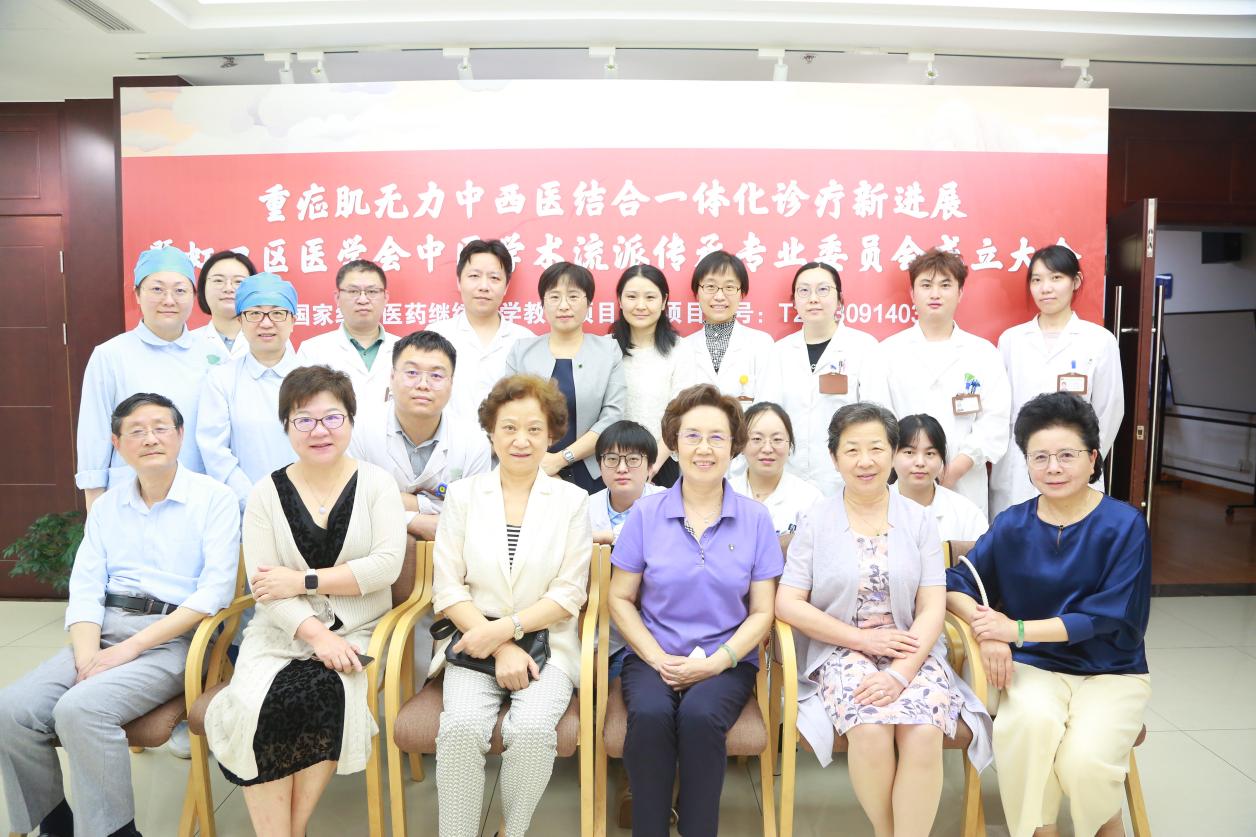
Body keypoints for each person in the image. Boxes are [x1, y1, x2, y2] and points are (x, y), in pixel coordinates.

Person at [0, 393, 240, 837]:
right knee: (11, 709)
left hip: (176, 638)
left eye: (160, 428)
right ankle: (56, 823)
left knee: (80, 709)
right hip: (106, 629)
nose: (150, 439)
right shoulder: (108, 506)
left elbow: (214, 592)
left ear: (180, 435)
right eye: (136, 431)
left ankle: (115, 832)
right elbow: (86, 586)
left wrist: (128, 651)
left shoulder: (215, 499)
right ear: (117, 443)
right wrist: (87, 655)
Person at [203, 365, 406, 836]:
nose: (320, 431)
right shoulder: (264, 494)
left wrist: (303, 581)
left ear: (351, 421)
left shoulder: (377, 484)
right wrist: (315, 634)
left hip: (357, 629)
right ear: (287, 426)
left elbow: (385, 567)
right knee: (254, 706)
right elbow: (266, 588)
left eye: (333, 417)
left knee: (324, 693)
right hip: (281, 631)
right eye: (304, 420)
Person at [775, 402, 990, 837]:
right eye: (852, 450)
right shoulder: (814, 521)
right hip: (840, 648)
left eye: (876, 448)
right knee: (870, 727)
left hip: (913, 648)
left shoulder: (919, 520)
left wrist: (900, 673)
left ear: (892, 453)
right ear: (834, 457)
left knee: (923, 731)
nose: (865, 461)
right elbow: (788, 603)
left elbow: (932, 605)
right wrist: (862, 640)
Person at [946, 392, 1151, 837]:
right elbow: (956, 582)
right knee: (1027, 729)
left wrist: (1014, 629)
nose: (1053, 467)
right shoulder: (1012, 524)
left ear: (1092, 458)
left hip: (1111, 669)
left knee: (1084, 763)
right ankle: (1041, 831)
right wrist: (988, 631)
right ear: (1026, 463)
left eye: (1066, 455)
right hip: (1034, 666)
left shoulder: (1125, 524)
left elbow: (1106, 616)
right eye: (1040, 457)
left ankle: (1107, 821)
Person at [608, 384, 782, 837]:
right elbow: (619, 598)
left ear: (734, 447)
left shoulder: (756, 519)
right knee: (650, 716)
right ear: (674, 443)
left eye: (717, 437)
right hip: (653, 655)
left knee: (701, 716)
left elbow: (762, 612)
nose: (704, 449)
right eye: (692, 436)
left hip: (727, 659)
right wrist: (657, 658)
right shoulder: (645, 514)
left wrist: (719, 662)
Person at [430, 374, 592, 837]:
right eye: (509, 428)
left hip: (548, 645)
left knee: (534, 731)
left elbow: (569, 594)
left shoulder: (572, 500)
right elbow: (448, 588)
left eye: (534, 429)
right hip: (474, 640)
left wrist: (507, 631)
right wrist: (499, 645)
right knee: (460, 729)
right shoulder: (463, 496)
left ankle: (512, 830)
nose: (522, 440)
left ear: (551, 435)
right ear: (491, 433)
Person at [864, 248, 1011, 517]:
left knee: (961, 541)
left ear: (960, 292)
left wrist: (957, 467)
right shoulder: (886, 353)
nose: (935, 294)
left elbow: (995, 422)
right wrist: (910, 464)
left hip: (965, 483)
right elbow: (878, 418)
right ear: (912, 293)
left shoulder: (983, 354)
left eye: (945, 285)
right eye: (926, 285)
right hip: (902, 481)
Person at [77, 247, 215, 510]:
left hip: (199, 494)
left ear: (194, 296)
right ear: (137, 294)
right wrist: (95, 506)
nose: (169, 300)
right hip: (129, 496)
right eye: (157, 289)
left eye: (180, 290)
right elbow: (93, 433)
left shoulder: (213, 356)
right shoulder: (110, 355)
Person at [990, 244, 1123, 517]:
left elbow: (1109, 411)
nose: (1045, 288)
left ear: (1076, 281)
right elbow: (999, 409)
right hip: (1018, 468)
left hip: (1076, 467)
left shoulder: (1100, 341)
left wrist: (1083, 460)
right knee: (1017, 534)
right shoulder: (1011, 341)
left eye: (1056, 278)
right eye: (1037, 280)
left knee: (1073, 536)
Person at [348, 329, 491, 542]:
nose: (423, 385)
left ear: (451, 383)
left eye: (436, 376)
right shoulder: (359, 431)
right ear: (392, 377)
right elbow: (351, 504)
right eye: (412, 373)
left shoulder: (473, 441)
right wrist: (415, 518)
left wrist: (397, 502)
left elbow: (473, 514)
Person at [505, 261, 627, 494]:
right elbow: (507, 413)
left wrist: (560, 459)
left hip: (594, 471)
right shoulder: (521, 351)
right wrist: (540, 461)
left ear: (589, 304)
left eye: (573, 296)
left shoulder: (608, 351)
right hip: (533, 469)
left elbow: (613, 416)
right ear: (542, 304)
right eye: (554, 297)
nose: (563, 305)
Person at [765, 262, 879, 495]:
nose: (813, 299)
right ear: (794, 301)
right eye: (804, 291)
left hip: (844, 476)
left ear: (840, 300)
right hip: (788, 476)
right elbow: (767, 416)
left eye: (823, 289)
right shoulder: (779, 352)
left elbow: (876, 417)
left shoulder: (863, 347)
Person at [197, 272, 301, 510]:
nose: (266, 323)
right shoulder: (221, 379)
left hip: (310, 506)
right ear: (240, 321)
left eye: (277, 313)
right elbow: (215, 451)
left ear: (293, 320)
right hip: (247, 509)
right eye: (254, 313)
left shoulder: (316, 379)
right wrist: (254, 500)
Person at [428, 239, 534, 421]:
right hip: (448, 438)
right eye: (474, 276)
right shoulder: (435, 335)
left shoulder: (525, 340)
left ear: (506, 286)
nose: (484, 286)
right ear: (459, 282)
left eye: (494, 278)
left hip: (507, 438)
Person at [609, 264, 692, 487]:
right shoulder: (607, 349)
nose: (640, 305)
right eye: (632, 297)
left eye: (650, 297)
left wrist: (652, 465)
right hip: (611, 461)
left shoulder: (681, 350)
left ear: (664, 301)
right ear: (620, 300)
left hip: (663, 462)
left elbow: (681, 413)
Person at [296, 259, 400, 409]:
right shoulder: (312, 351)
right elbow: (300, 408)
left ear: (385, 297)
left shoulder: (406, 350)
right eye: (353, 291)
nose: (363, 300)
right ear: (337, 298)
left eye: (372, 291)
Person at [679, 251, 775, 405]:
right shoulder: (683, 347)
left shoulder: (761, 343)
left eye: (729, 287)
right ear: (697, 293)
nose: (719, 296)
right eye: (710, 286)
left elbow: (768, 404)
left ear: (742, 293)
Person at [728, 401, 823, 553]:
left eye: (777, 439)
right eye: (756, 439)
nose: (767, 448)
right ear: (742, 445)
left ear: (790, 445)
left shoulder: (811, 499)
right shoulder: (723, 494)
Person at [891, 413, 989, 542]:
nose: (920, 462)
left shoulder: (967, 514)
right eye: (909, 452)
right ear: (891, 456)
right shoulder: (871, 509)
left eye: (930, 453)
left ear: (942, 458)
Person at [192, 249, 257, 367]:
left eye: (238, 281)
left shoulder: (271, 339)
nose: (228, 288)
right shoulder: (189, 342)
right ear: (203, 288)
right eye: (218, 280)